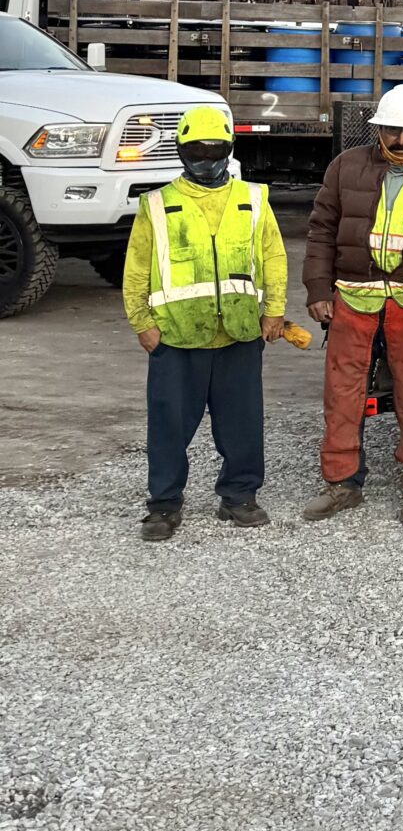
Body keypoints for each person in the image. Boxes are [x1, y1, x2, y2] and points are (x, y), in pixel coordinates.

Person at [301, 82, 403, 524]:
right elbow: (321, 229)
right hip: (352, 299)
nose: (401, 140)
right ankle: (342, 484)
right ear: (378, 129)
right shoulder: (345, 167)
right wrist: (317, 289)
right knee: (343, 394)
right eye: (393, 130)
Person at [123, 103, 288, 541]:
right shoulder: (157, 205)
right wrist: (141, 322)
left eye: (215, 150)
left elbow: (272, 255)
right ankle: (163, 505)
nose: (207, 159)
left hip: (239, 332)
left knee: (243, 423)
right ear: (182, 151)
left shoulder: (253, 199)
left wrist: (274, 309)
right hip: (176, 336)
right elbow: (136, 268)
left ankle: (239, 497)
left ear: (229, 149)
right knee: (168, 425)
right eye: (197, 150)